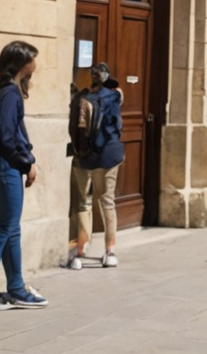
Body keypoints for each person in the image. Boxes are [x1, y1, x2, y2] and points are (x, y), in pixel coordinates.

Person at [0, 40, 45, 311]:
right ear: (20, 63)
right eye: (32, 59)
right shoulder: (10, 93)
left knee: (9, 229)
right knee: (3, 230)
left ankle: (16, 289)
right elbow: (8, 135)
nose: (35, 64)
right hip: (5, 167)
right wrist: (27, 163)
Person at [64, 63, 124, 271]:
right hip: (109, 155)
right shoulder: (116, 96)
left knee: (83, 202)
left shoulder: (83, 99)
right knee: (107, 201)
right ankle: (110, 252)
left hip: (84, 156)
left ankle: (78, 252)